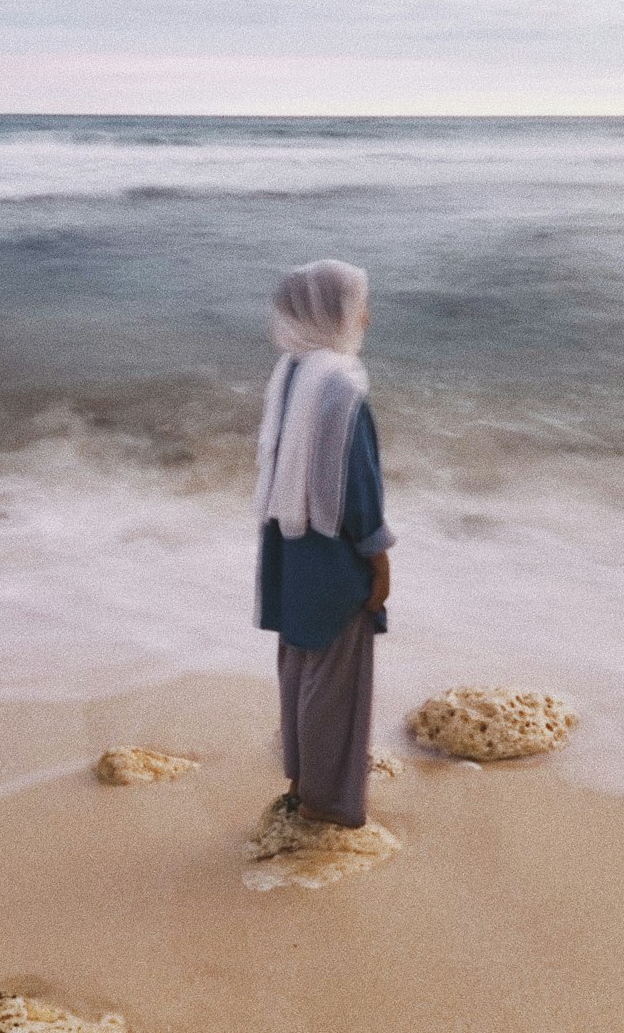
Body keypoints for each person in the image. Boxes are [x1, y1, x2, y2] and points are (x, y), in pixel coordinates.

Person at [253, 258, 396, 829]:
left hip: (285, 544)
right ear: (336, 312)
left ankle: (300, 780)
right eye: (357, 302)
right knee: (337, 676)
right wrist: (378, 558)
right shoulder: (341, 383)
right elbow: (357, 486)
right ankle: (328, 803)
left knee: (301, 664)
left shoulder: (289, 372)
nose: (365, 313)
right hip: (330, 550)